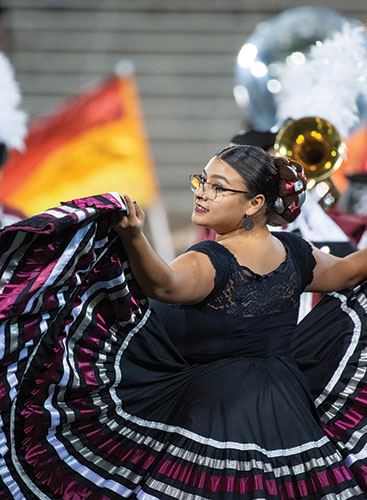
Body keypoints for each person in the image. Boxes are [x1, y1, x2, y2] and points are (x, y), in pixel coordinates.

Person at [1, 145, 367, 499]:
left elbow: (163, 284)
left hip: (214, 409)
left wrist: (133, 236)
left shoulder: (212, 259)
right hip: (287, 408)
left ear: (255, 203)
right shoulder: (295, 252)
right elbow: (349, 271)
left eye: (218, 187)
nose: (202, 193)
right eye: (202, 181)